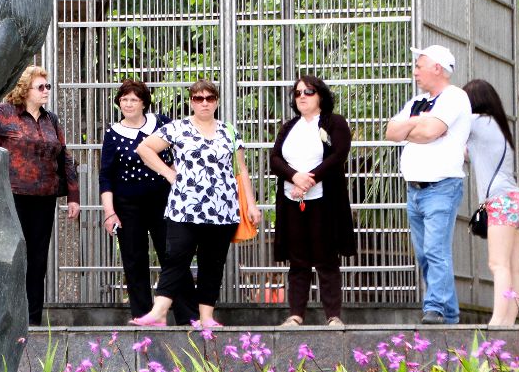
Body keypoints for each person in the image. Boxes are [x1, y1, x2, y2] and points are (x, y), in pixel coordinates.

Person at [132, 79, 260, 327]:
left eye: (209, 98)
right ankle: (159, 312)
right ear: (191, 102)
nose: (204, 103)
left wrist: (251, 205)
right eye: (198, 98)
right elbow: (144, 149)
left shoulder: (229, 131)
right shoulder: (178, 128)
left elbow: (241, 170)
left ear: (217, 102)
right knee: (176, 258)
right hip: (184, 208)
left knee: (212, 264)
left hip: (222, 209)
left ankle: (206, 317)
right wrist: (168, 174)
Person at [385, 44, 473, 324]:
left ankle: (434, 307)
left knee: (436, 249)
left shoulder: (455, 97)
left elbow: (431, 132)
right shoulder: (417, 102)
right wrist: (418, 123)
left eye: (419, 66)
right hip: (415, 189)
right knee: (425, 254)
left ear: (437, 67)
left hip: (441, 186)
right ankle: (449, 315)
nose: (415, 72)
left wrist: (415, 128)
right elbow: (391, 132)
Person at [0, 65, 79, 326]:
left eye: (47, 87)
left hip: (45, 196)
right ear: (25, 89)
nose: (46, 91)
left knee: (38, 259)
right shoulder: (3, 114)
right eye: (41, 87)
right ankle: (6, 318)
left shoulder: (51, 120)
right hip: (13, 195)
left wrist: (73, 196)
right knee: (13, 256)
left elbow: (64, 156)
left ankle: (33, 320)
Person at [98, 80, 186, 323]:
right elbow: (106, 176)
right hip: (127, 205)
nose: (128, 103)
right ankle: (144, 316)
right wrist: (109, 212)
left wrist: (173, 170)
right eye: (124, 99)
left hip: (164, 201)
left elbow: (184, 149)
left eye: (133, 99)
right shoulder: (113, 134)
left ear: (144, 102)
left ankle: (186, 315)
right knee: (134, 260)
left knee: (172, 255)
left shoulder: (162, 123)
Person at [269, 75, 354, 327]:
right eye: (297, 93)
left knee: (326, 257)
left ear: (320, 95)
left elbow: (338, 155)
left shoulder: (334, 122)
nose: (302, 97)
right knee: (298, 260)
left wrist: (310, 179)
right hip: (291, 199)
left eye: (308, 92)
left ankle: (333, 316)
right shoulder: (289, 126)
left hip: (323, 201)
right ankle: (295, 315)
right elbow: (274, 158)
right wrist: (294, 177)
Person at [464, 79, 519, 326]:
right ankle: (509, 320)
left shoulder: (476, 123)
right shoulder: (498, 126)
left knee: (498, 264)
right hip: (517, 202)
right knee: (515, 267)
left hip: (500, 202)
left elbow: (449, 127)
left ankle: (497, 322)